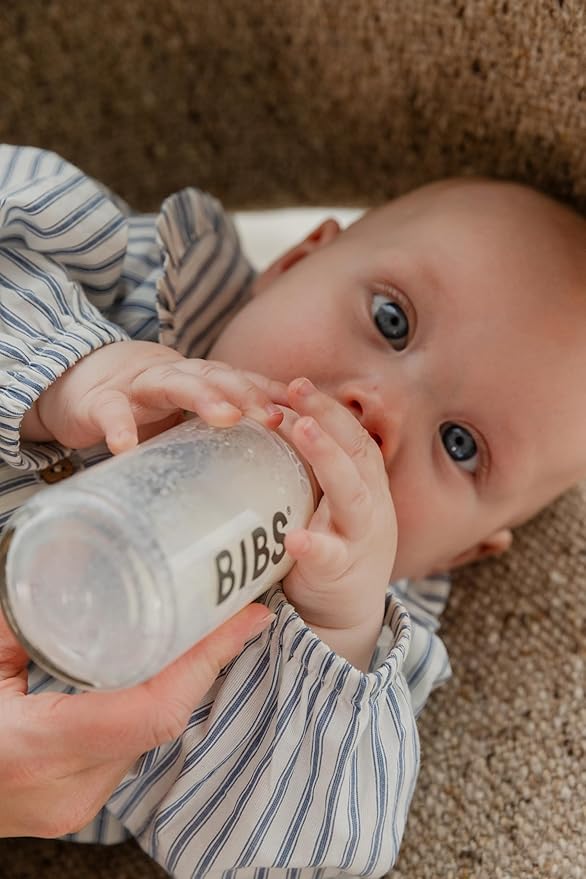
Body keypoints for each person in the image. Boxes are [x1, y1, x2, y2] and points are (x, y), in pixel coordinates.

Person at [0, 144, 585, 876]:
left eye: (460, 444)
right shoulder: (127, 279)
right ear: (296, 262)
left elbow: (298, 861)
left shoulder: (337, 682)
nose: (377, 412)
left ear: (459, 552)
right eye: (392, 320)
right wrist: (62, 367)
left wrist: (335, 632)